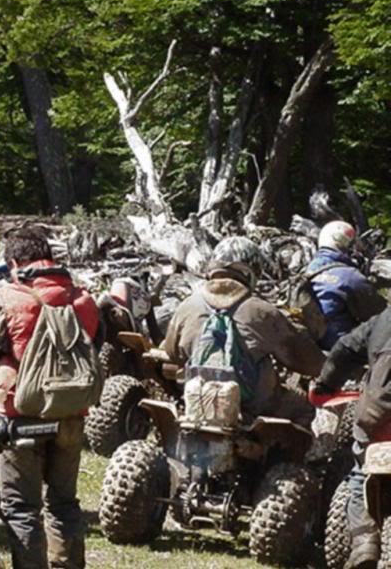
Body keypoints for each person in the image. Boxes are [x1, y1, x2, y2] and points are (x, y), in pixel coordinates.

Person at [0, 226, 100, 569]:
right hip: (71, 412)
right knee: (64, 503)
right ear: (48, 257)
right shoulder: (82, 299)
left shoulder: (8, 299)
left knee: (22, 508)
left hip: (20, 415)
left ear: (13, 262)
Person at [161, 236, 324, 426]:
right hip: (254, 406)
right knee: (305, 407)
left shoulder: (187, 305)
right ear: (249, 272)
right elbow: (307, 364)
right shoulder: (262, 311)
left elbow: (171, 352)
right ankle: (290, 456)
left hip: (196, 398)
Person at [310, 306, 391, 569]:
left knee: (360, 473)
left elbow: (344, 350)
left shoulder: (383, 319)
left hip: (377, 415)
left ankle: (364, 544)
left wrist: (325, 385)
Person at [306, 220, 386, 350]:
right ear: (346, 246)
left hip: (315, 349)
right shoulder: (349, 276)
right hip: (345, 352)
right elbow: (381, 314)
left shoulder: (307, 271)